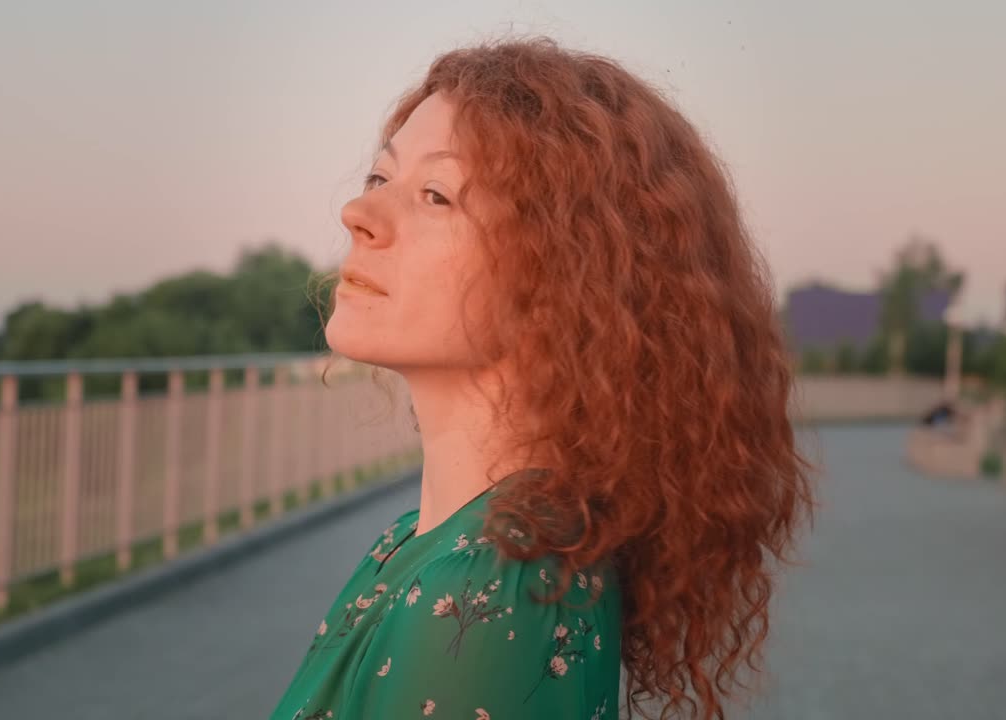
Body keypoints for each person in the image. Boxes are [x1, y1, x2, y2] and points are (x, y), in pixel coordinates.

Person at [269, 37, 814, 720]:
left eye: (436, 195)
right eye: (381, 178)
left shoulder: (485, 591)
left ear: (565, 278)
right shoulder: (434, 546)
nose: (358, 213)